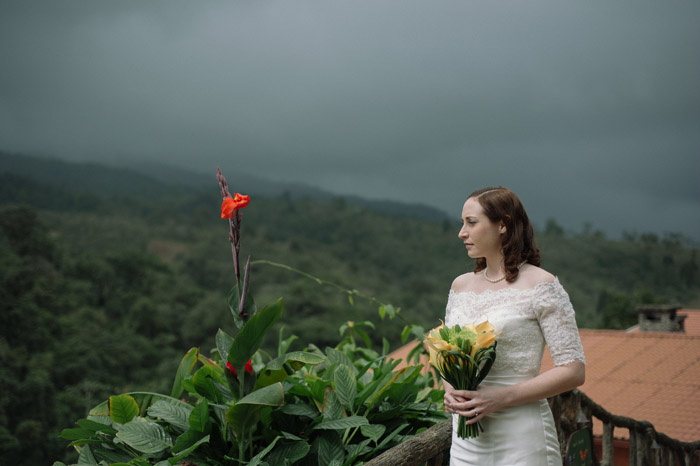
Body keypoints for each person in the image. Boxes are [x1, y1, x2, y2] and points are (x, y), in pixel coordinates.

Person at [443, 186, 586, 466]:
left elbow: (574, 370)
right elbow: (448, 356)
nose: (462, 232)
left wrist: (500, 398)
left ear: (503, 225)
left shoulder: (541, 285)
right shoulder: (459, 286)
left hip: (522, 435)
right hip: (467, 441)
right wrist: (450, 391)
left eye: (471, 222)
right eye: (463, 223)